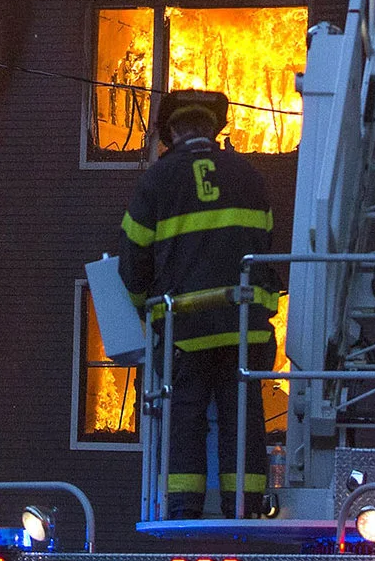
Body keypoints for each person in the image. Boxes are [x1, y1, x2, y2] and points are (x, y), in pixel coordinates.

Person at [116, 89, 281, 519]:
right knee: (241, 415)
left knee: (184, 415)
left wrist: (145, 312)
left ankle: (184, 506)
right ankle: (244, 505)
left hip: (184, 329)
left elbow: (133, 257)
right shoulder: (250, 176)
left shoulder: (157, 180)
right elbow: (264, 245)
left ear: (171, 132)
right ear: (214, 129)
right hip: (244, 323)